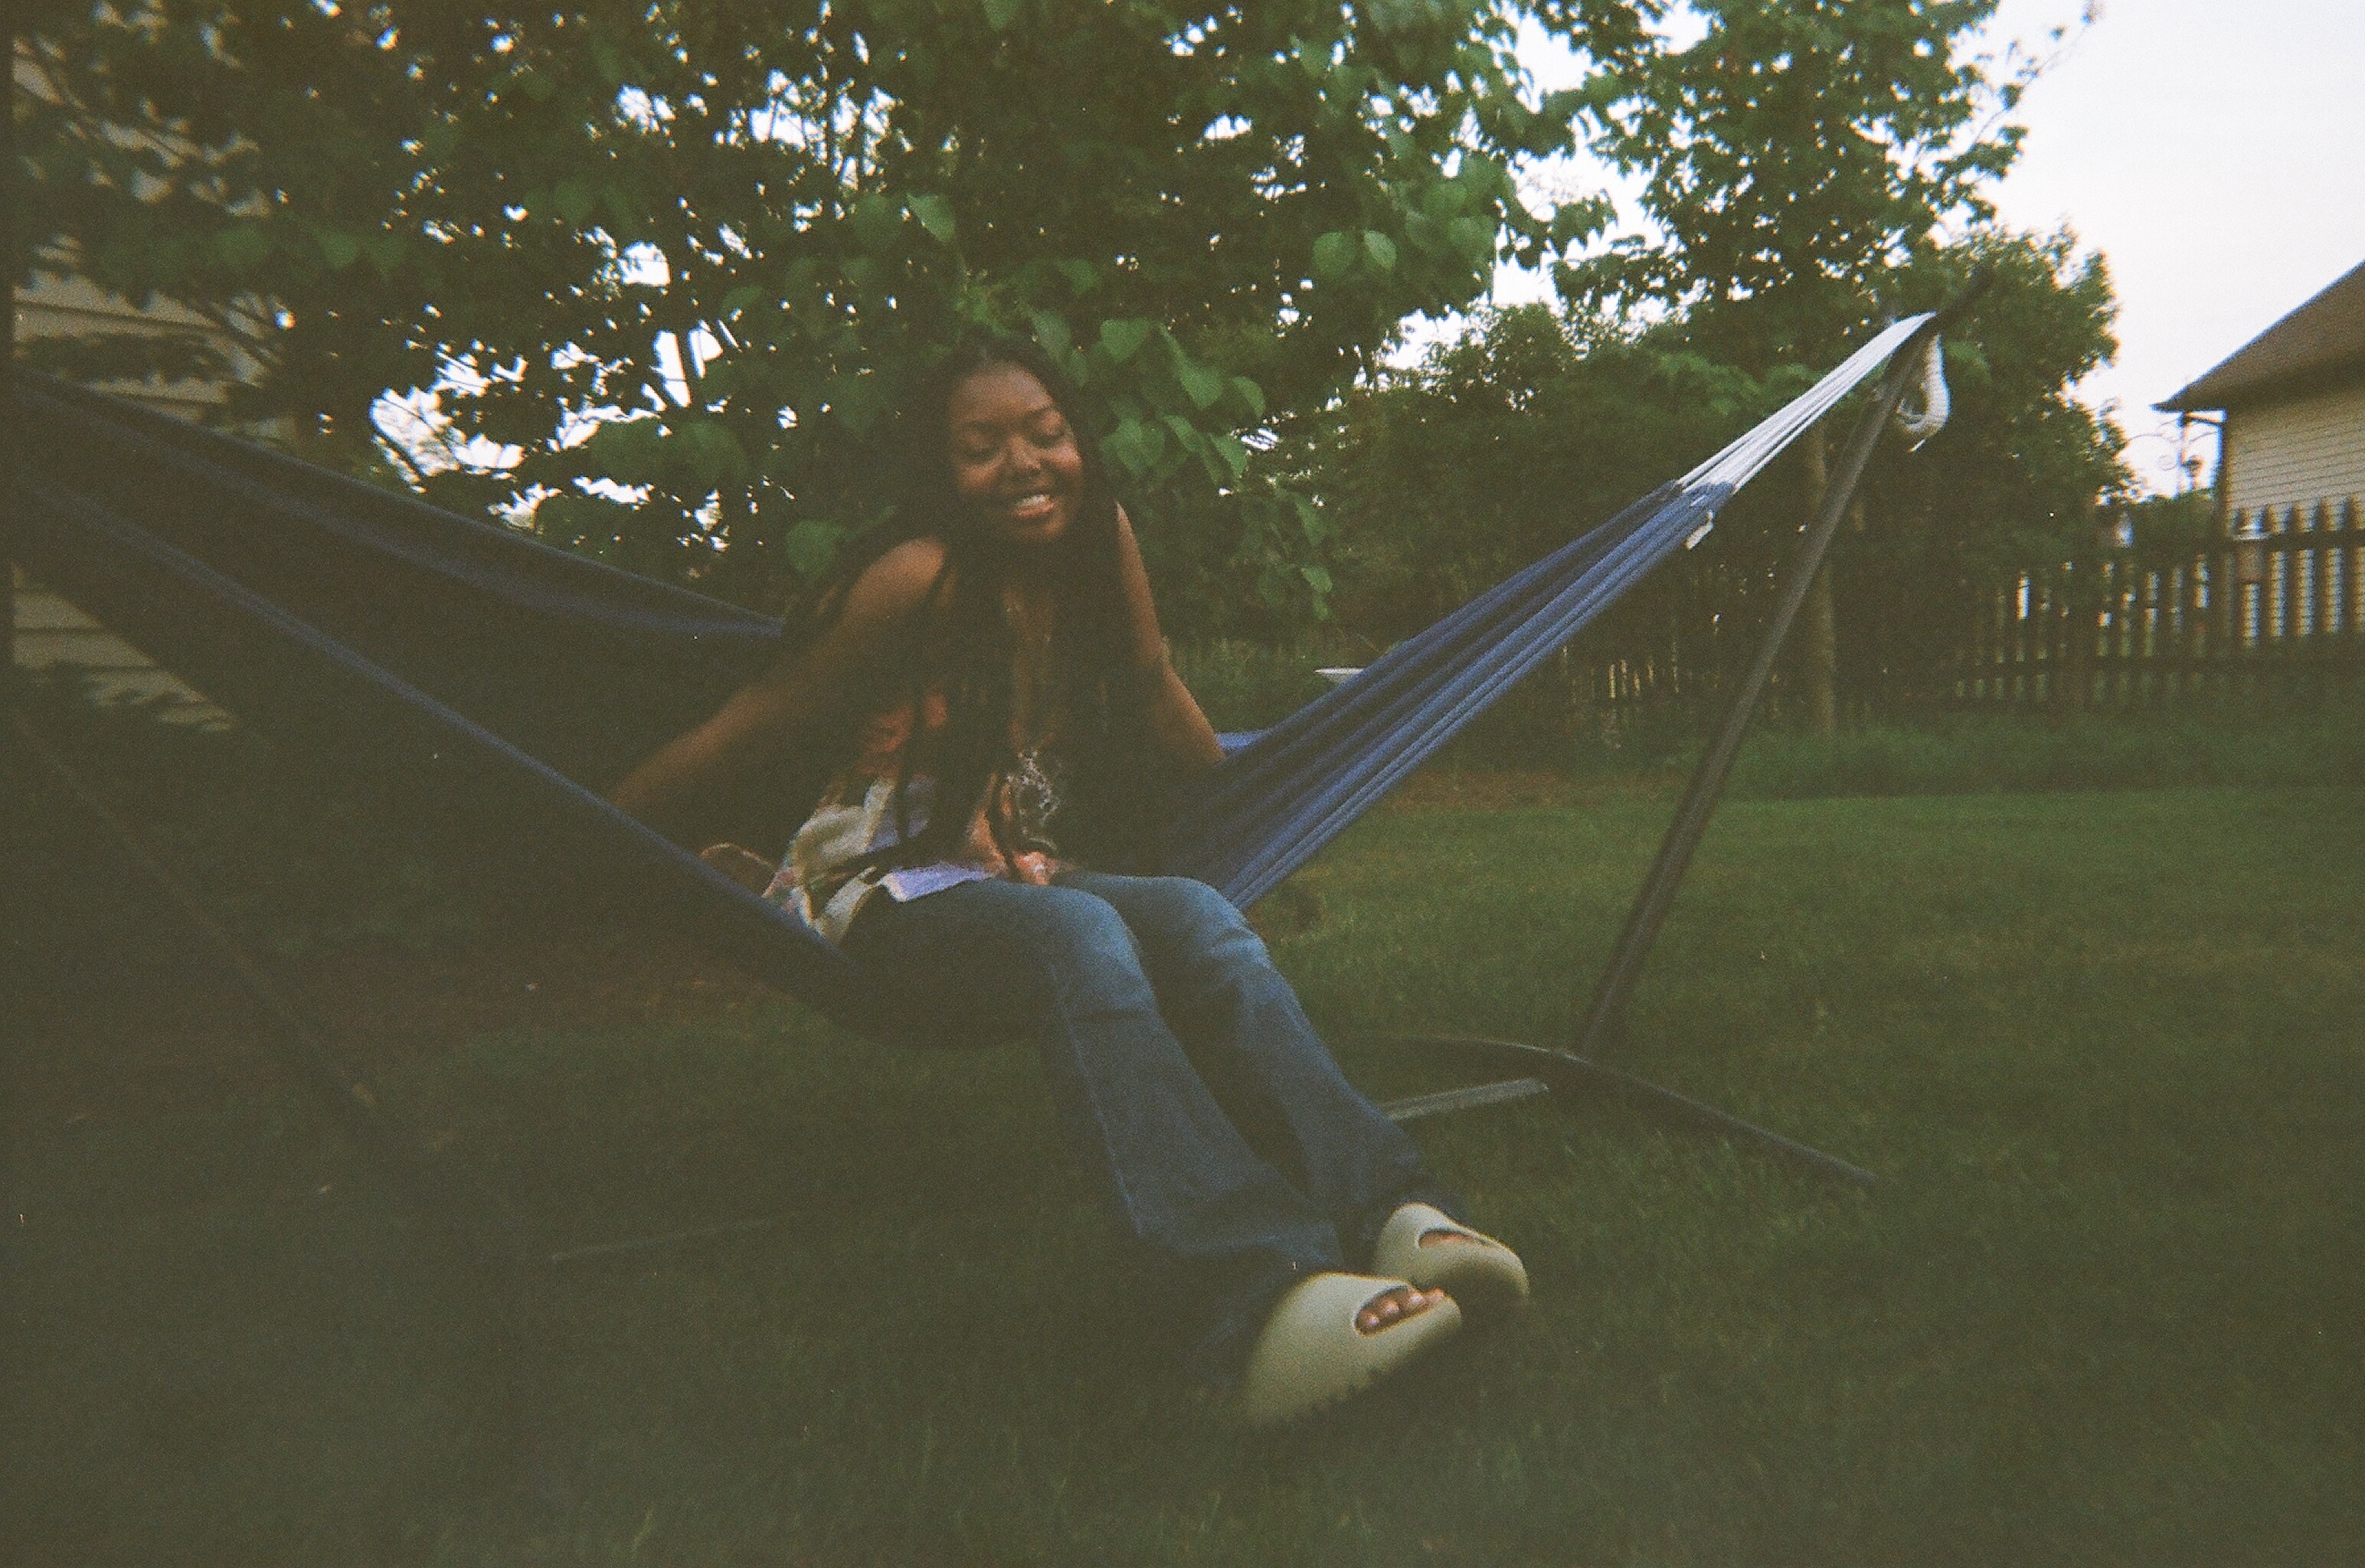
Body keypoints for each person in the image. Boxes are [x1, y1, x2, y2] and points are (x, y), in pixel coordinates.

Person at [610, 336, 1527, 1424]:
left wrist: (1252, 792)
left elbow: (1148, 681)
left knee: (1197, 912)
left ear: (1079, 438)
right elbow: (752, 720)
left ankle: (1395, 1210)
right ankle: (1255, 1298)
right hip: (885, 893)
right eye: (981, 446)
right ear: (937, 473)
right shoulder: (918, 578)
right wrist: (596, 831)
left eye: (1046, 432)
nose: (1026, 462)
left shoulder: (1100, 544)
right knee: (1083, 936)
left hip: (1021, 872)